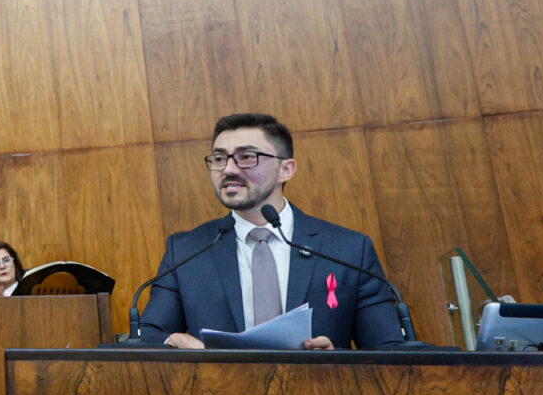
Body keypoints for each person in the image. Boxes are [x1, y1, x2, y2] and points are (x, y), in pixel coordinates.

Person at [138, 113, 405, 350]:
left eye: (247, 157)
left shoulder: (347, 250)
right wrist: (171, 340)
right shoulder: (187, 250)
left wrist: (335, 362)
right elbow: (148, 334)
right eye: (220, 158)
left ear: (285, 169)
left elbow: (387, 347)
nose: (229, 169)